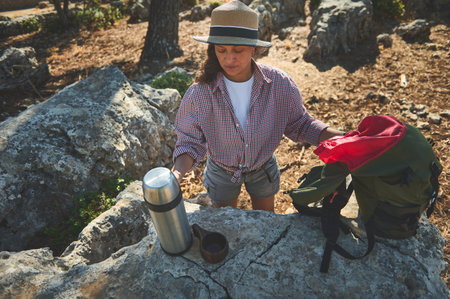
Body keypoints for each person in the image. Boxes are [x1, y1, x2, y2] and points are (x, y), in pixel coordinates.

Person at [172, 0, 344, 212]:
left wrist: (344, 138)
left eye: (238, 50)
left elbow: (300, 124)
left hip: (263, 168)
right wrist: (177, 174)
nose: (229, 58)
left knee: (266, 218)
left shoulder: (279, 84)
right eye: (221, 49)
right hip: (221, 171)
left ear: (253, 48)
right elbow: (190, 142)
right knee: (227, 222)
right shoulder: (200, 93)